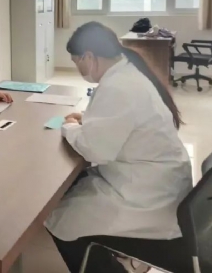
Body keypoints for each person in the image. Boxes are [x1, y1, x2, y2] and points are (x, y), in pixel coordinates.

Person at [45, 22, 192, 273]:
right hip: (158, 184)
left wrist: (69, 126)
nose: (78, 68)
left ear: (88, 56)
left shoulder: (118, 86)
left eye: (76, 61)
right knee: (74, 193)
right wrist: (88, 120)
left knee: (59, 218)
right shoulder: (128, 73)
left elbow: (95, 151)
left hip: (147, 198)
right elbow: (121, 121)